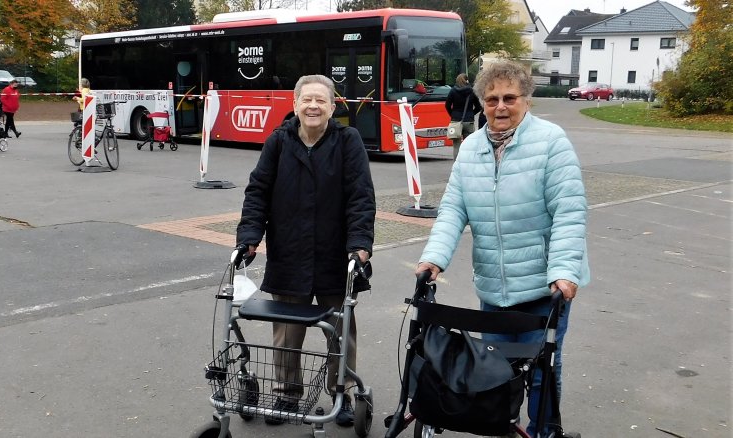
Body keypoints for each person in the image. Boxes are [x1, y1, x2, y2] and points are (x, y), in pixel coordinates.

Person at [414, 59, 589, 437]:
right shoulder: (472, 148)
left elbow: (569, 213)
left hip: (544, 287)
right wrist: (434, 258)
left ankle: (544, 431)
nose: (501, 106)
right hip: (495, 287)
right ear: (482, 103)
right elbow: (453, 209)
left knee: (541, 372)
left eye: (510, 97)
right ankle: (501, 429)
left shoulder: (551, 142)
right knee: (493, 373)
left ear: (526, 99)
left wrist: (563, 270)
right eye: (491, 99)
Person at [236, 74, 376, 427]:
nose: (313, 106)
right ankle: (287, 392)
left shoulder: (348, 141)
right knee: (285, 330)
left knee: (341, 328)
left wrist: (360, 245)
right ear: (295, 104)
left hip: (335, 255)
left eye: (321, 100)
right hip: (290, 252)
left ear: (333, 106)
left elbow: (361, 197)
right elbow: (258, 192)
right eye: (306, 99)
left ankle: (341, 392)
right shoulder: (278, 142)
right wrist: (250, 236)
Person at [445, 73, 481, 160]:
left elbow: (447, 105)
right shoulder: (471, 91)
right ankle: (469, 163)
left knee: (456, 146)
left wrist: (453, 114)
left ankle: (457, 165)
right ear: (467, 80)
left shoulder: (453, 91)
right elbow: (479, 106)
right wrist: (471, 113)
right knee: (469, 145)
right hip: (469, 121)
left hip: (456, 120)